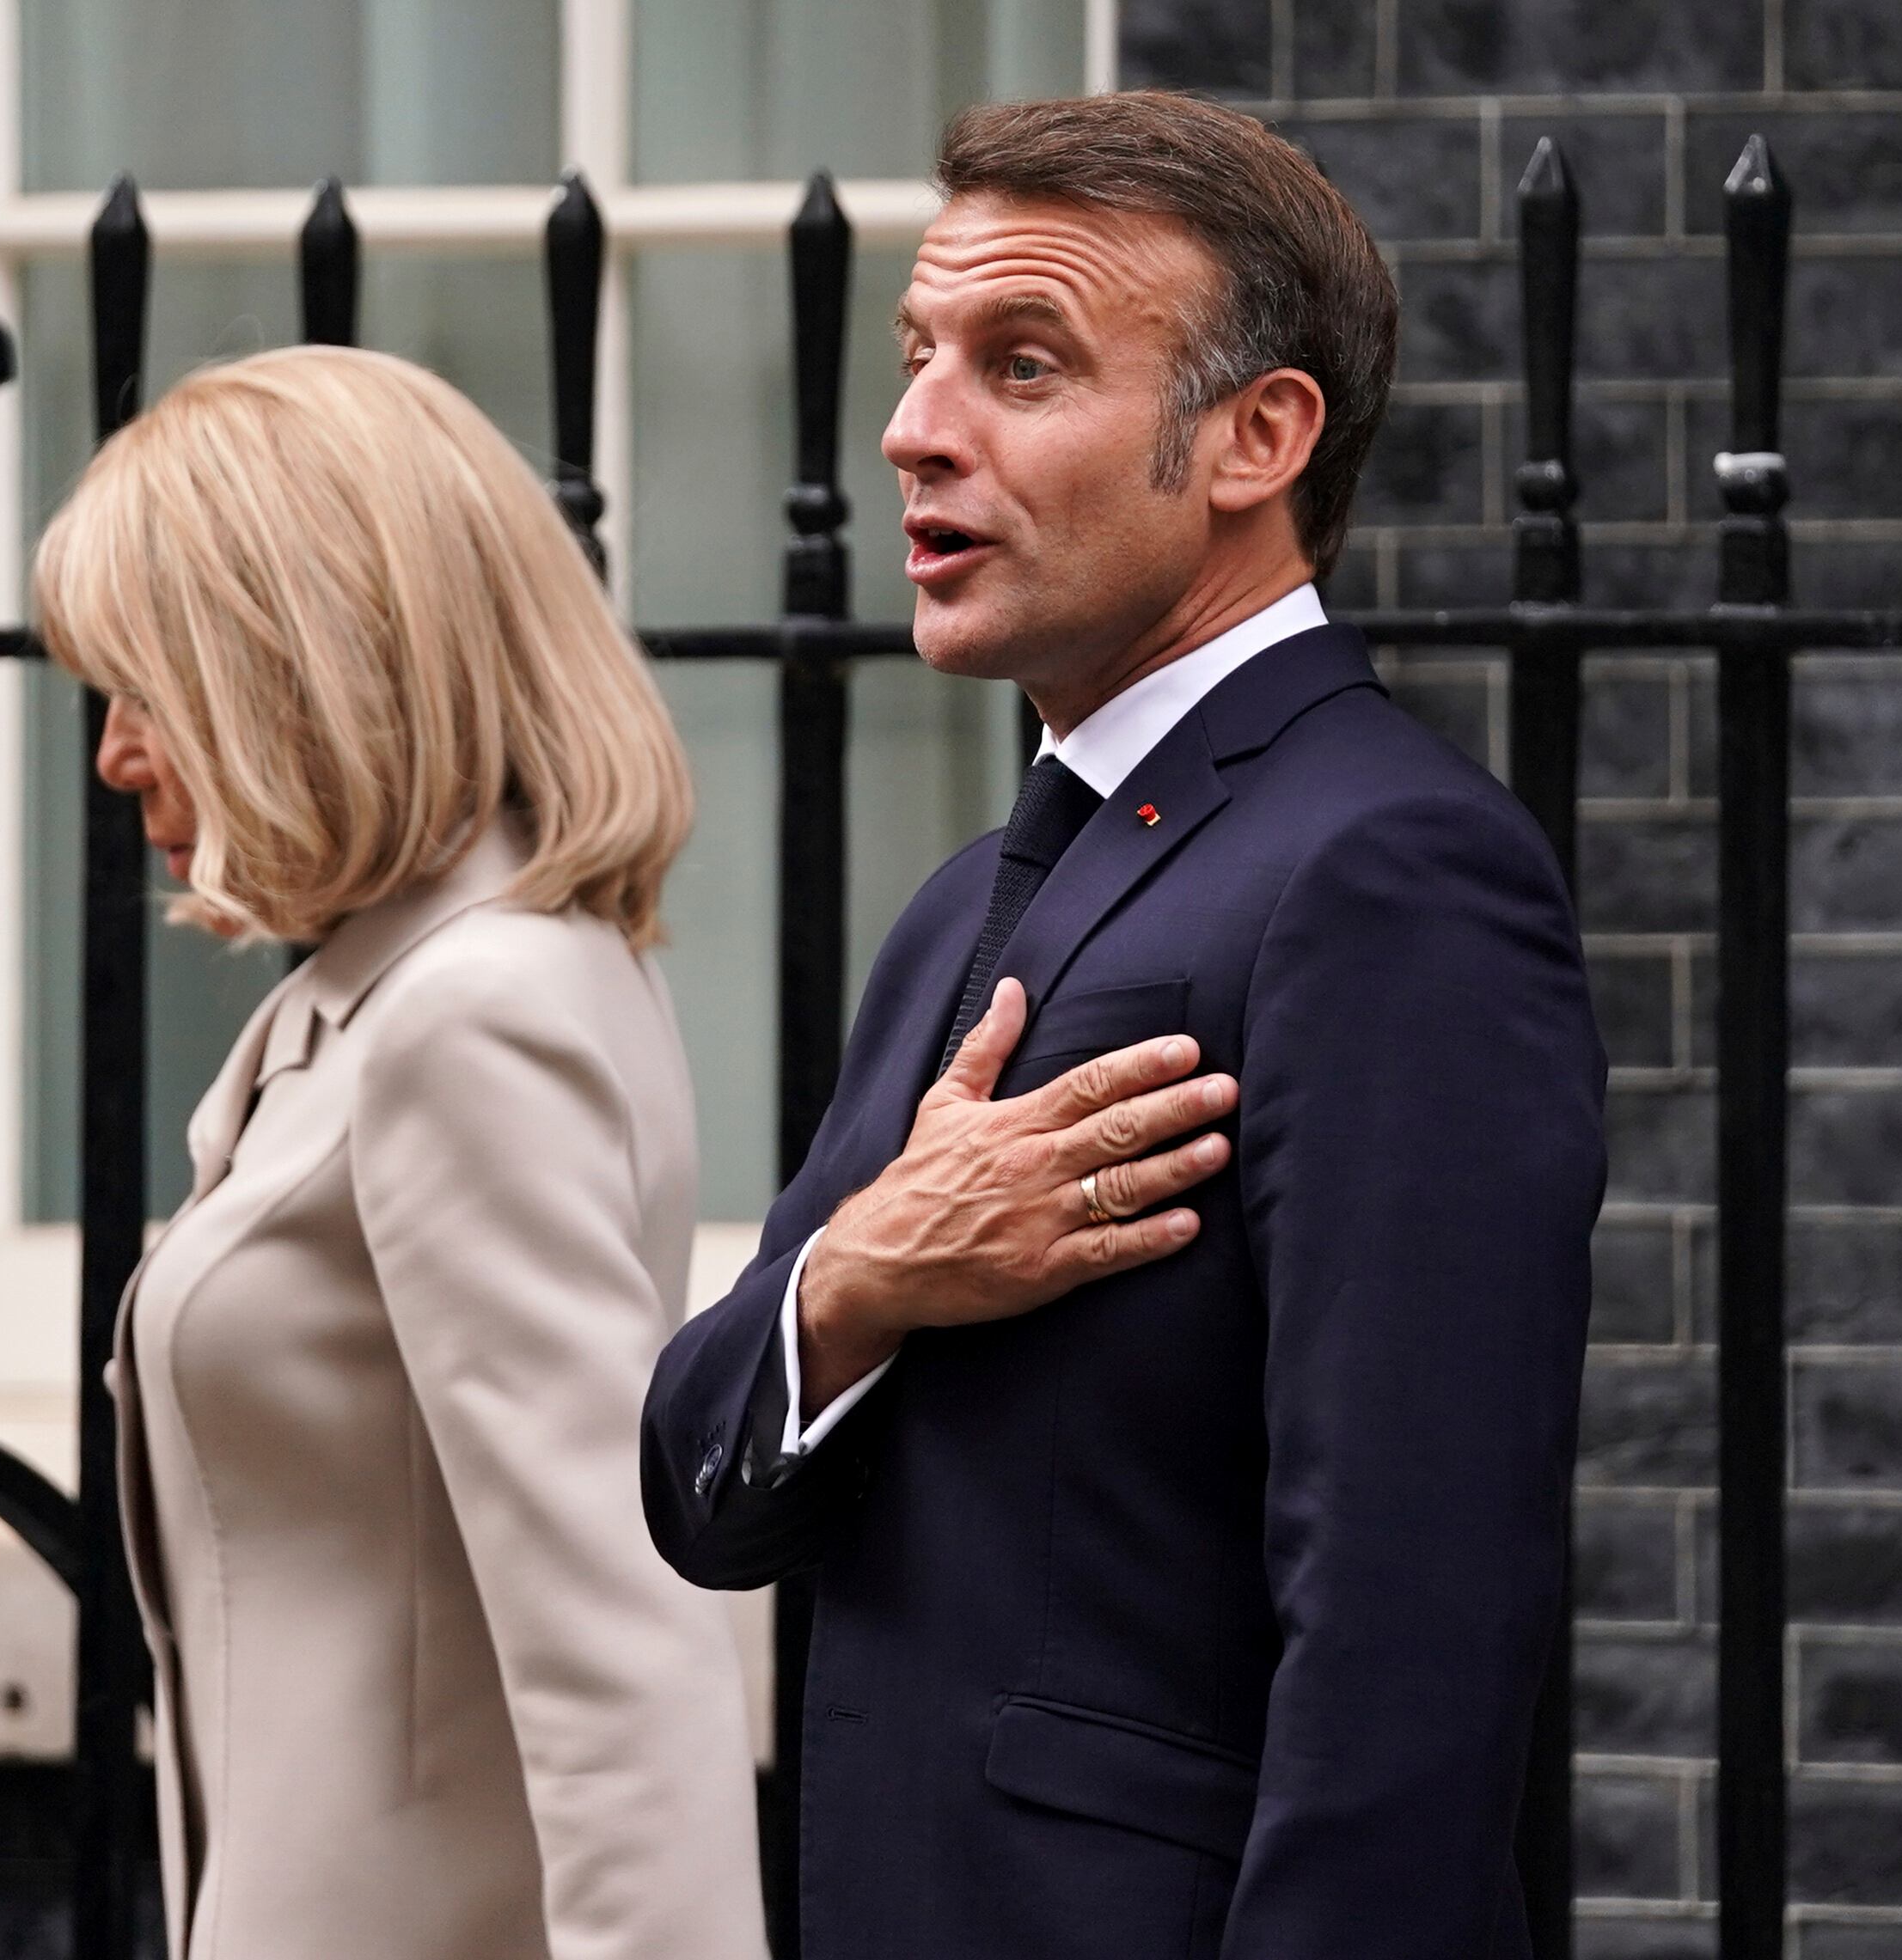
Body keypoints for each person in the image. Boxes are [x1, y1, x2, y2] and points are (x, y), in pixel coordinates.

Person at [643, 92, 1606, 1960]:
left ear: (1258, 435)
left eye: (1021, 365)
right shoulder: (960, 908)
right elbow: (696, 1487)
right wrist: (860, 1276)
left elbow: (1413, 1615)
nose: (916, 428)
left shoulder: (1391, 868)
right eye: (920, 359)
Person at [35, 345, 768, 1960]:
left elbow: (620, 1650)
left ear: (289, 664)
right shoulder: (424, 986)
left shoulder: (467, 1017)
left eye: (148, 688)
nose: (115, 754)